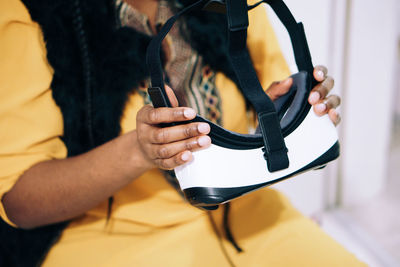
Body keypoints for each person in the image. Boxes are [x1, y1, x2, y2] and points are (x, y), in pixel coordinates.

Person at [0, 0, 363, 266]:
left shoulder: (233, 3)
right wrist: (140, 150)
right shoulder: (29, 17)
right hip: (117, 241)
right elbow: (20, 201)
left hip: (250, 216)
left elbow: (270, 94)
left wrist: (288, 111)